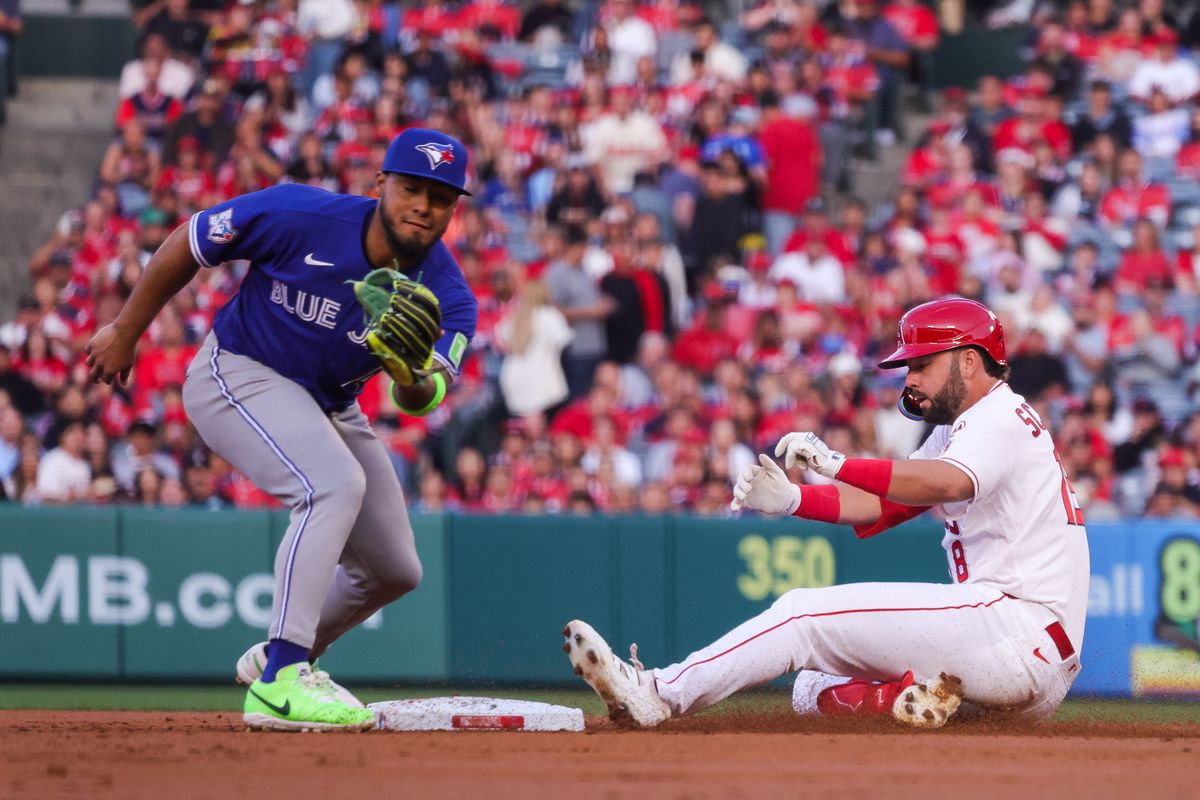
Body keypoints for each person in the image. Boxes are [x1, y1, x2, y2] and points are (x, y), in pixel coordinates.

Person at [85, 128, 478, 731]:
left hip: (331, 405)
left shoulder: (448, 294)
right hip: (237, 370)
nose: (423, 206)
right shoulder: (299, 213)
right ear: (380, 185)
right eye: (412, 188)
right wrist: (126, 330)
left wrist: (410, 374)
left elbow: (425, 395)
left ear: (455, 208)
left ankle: (276, 655)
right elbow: (189, 243)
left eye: (441, 197)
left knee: (396, 568)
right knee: (332, 485)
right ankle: (283, 679)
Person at [564, 297, 1089, 729]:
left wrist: (837, 463)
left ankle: (657, 691)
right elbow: (885, 502)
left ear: (969, 361)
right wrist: (796, 498)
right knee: (811, 689)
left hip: (1015, 630)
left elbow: (947, 481)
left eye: (923, 364)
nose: (912, 378)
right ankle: (909, 703)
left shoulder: (996, 416)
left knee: (801, 615)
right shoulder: (966, 427)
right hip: (1023, 662)